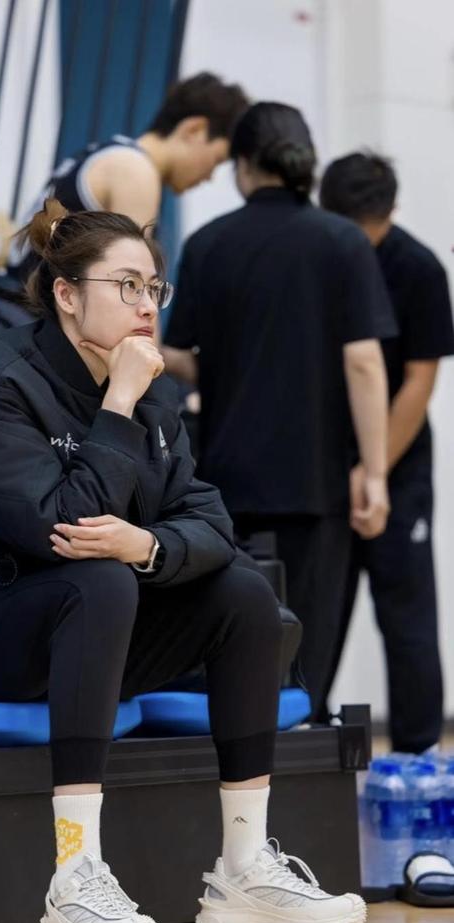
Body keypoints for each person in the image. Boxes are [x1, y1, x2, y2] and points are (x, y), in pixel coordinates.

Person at [0, 199, 366, 923]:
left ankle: (244, 870)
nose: (146, 306)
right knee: (99, 581)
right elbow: (64, 527)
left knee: (242, 595)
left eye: (153, 288)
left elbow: (211, 524)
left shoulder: (152, 392)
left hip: (71, 631)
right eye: (127, 286)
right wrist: (119, 405)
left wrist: (149, 545)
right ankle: (76, 879)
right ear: (67, 294)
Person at [162, 102, 397, 723]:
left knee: (230, 634)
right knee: (309, 648)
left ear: (243, 164)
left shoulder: (208, 243)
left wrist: (226, 368)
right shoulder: (342, 241)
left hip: (227, 481)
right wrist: (375, 473)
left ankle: (236, 765)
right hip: (316, 480)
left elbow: (175, 354)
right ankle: (304, 760)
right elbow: (364, 363)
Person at [319, 152, 454, 752]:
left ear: (391, 213)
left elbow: (419, 383)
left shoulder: (419, 269)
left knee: (409, 619)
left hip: (398, 465)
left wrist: (373, 468)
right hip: (321, 464)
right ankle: (301, 749)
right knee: (314, 617)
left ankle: (420, 756)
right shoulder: (314, 259)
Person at [11, 72, 249, 272]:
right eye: (217, 160)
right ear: (194, 129)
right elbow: (130, 289)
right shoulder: (135, 171)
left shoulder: (113, 152)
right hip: (33, 307)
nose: (210, 176)